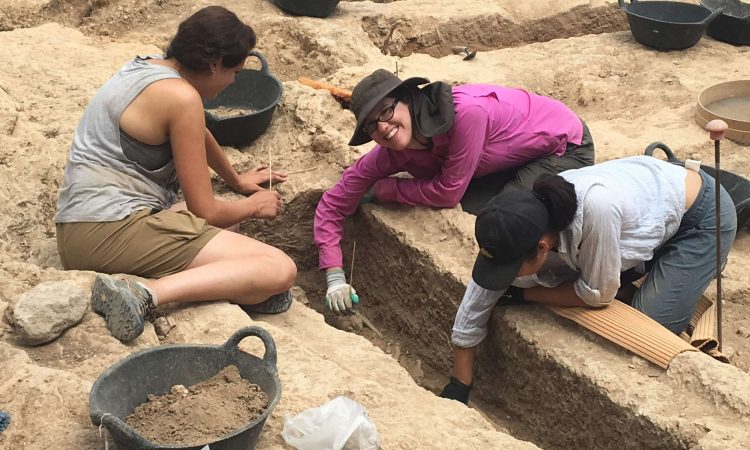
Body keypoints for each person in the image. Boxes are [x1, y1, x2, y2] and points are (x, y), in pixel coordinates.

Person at [54, 6, 297, 343]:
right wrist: (256, 205)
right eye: (235, 73)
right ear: (214, 65)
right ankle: (142, 294)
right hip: (104, 232)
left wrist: (238, 181)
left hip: (84, 223)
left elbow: (199, 133)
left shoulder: (151, 67)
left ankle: (243, 288)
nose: (232, 82)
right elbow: (205, 210)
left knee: (230, 222)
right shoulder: (182, 98)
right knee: (280, 269)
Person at [439, 155, 737, 404]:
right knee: (546, 278)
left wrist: (525, 296)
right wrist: (459, 383)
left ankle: (681, 262)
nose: (506, 277)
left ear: (542, 248)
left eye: (511, 267)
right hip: (650, 201)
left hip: (702, 217)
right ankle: (644, 264)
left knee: (647, 325)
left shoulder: (595, 210)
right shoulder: (518, 222)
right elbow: (479, 295)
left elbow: (596, 294)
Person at [314, 69, 595, 314]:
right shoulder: (391, 151)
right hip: (508, 160)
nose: (384, 128)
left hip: (565, 145)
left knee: (507, 221)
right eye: (372, 125)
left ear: (410, 98)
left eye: (386, 112)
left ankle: (556, 274)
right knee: (477, 210)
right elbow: (333, 203)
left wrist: (385, 189)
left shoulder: (466, 115)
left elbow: (448, 192)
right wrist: (334, 276)